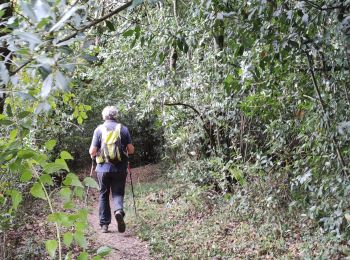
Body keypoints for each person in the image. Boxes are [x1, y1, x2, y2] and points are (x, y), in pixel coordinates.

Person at [89, 105, 135, 233]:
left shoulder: (99, 129)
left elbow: (92, 151)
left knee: (103, 194)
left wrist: (93, 154)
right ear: (115, 115)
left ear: (104, 116)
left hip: (103, 168)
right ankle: (119, 211)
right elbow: (131, 150)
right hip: (120, 168)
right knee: (118, 192)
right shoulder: (123, 129)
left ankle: (104, 225)